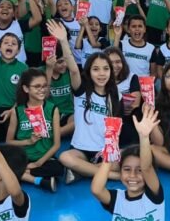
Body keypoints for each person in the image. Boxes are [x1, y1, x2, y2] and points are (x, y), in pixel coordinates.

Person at [51, 22, 121, 184]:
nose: (101, 73)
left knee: (125, 161)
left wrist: (111, 150)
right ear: (89, 71)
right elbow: (73, 69)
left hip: (102, 150)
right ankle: (107, 174)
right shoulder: (81, 90)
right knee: (65, 157)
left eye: (106, 69)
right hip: (80, 150)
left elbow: (113, 127)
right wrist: (63, 41)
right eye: (96, 69)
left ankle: (83, 171)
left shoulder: (114, 94)